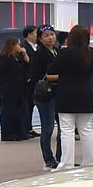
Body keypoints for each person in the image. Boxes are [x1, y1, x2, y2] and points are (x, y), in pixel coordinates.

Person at [53, 24, 93, 169]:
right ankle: (91, 162)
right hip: (87, 94)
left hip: (66, 94)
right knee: (86, 129)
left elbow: (52, 70)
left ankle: (66, 163)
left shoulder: (65, 53)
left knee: (66, 130)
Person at [29, 25, 62, 169]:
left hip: (58, 94)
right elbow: (35, 75)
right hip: (45, 96)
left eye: (52, 34)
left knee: (63, 128)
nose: (50, 38)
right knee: (48, 128)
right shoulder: (39, 54)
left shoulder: (57, 51)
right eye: (46, 35)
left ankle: (62, 158)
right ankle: (49, 159)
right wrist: (59, 77)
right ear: (40, 39)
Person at [0, 35, 36, 141]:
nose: (20, 47)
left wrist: (25, 56)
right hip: (8, 90)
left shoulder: (18, 58)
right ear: (12, 46)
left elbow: (28, 68)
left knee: (21, 112)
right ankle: (8, 134)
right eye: (18, 44)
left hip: (20, 90)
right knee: (9, 113)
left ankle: (21, 132)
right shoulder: (4, 58)